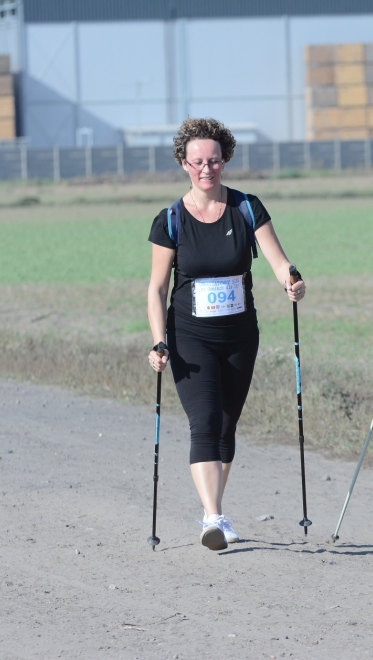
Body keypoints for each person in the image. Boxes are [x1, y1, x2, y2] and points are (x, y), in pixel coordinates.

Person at [146, 117, 306, 551]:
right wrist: (159, 340)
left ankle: (212, 509)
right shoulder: (170, 220)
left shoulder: (246, 207)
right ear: (184, 163)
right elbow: (157, 288)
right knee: (204, 420)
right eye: (197, 161)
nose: (206, 169)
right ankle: (213, 518)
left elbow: (278, 261)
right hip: (189, 337)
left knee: (226, 425)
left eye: (214, 160)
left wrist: (292, 280)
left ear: (225, 160)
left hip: (239, 335)